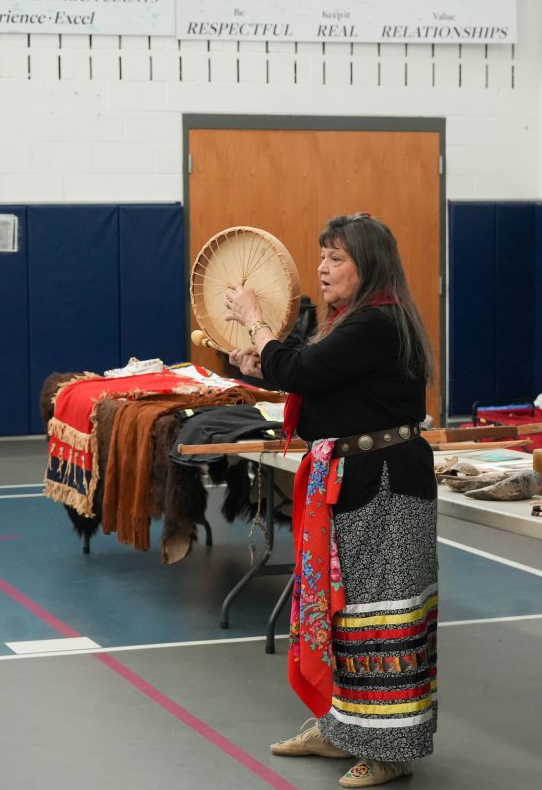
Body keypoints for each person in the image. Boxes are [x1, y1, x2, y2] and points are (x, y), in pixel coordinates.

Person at [224, 213, 438, 788]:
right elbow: (311, 377)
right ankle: (341, 726)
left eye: (336, 257)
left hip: (385, 484)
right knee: (343, 614)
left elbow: (308, 368)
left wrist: (256, 323)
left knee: (382, 619)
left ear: (368, 267)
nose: (321, 267)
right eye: (321, 255)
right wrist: (262, 361)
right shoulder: (351, 322)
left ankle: (391, 748)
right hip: (353, 480)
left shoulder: (378, 322)